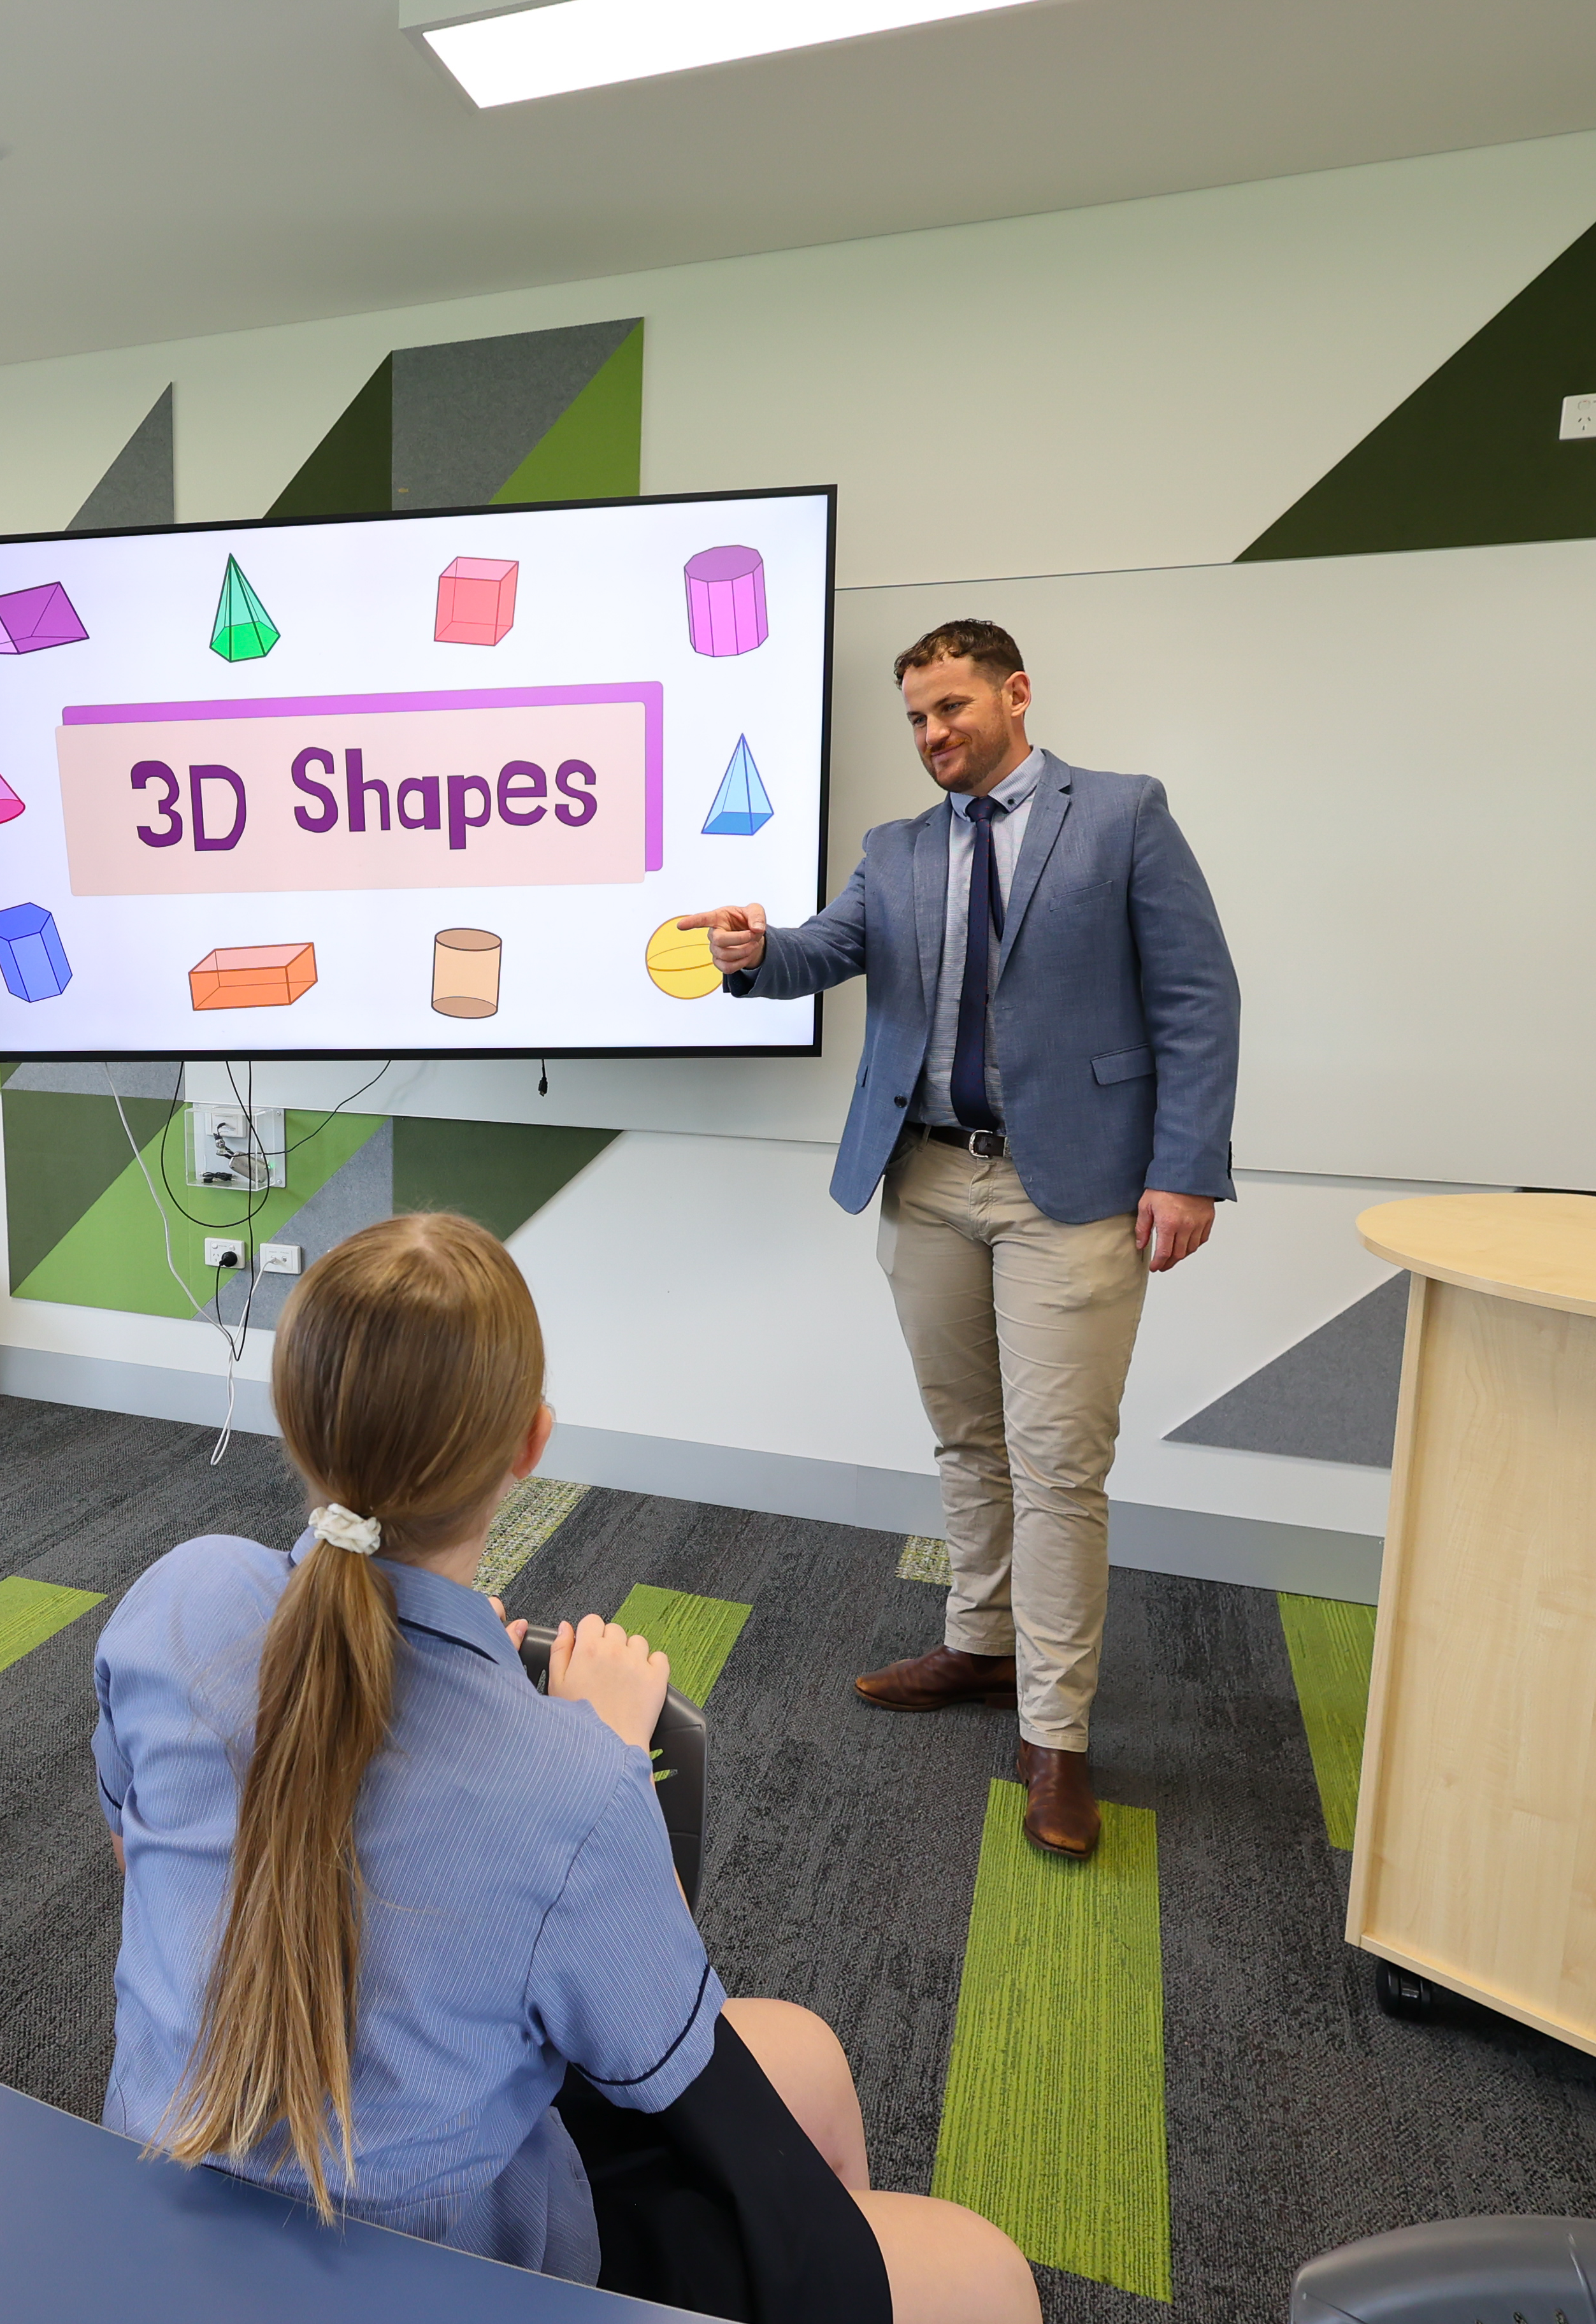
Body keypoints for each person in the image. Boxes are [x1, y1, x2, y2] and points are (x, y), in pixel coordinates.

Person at [91, 1212, 1038, 2324]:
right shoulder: (571, 1785)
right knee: (987, 2273)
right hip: (448, 2271)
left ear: (296, 1420)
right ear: (530, 1446)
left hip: (153, 2216)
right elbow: (644, 2055)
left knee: (812, 2061)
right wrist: (607, 1752)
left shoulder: (175, 1600)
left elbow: (142, 1851)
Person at [679, 620, 1237, 1859]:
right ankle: (980, 1647)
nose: (933, 735)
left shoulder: (1122, 816)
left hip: (1069, 1194)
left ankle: (1055, 1734)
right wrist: (748, 950)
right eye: (917, 719)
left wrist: (1185, 1169)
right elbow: (820, 954)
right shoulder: (896, 851)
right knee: (967, 1439)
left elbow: (1197, 999)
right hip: (924, 1182)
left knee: (1055, 1468)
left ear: (1013, 693)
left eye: (951, 709)